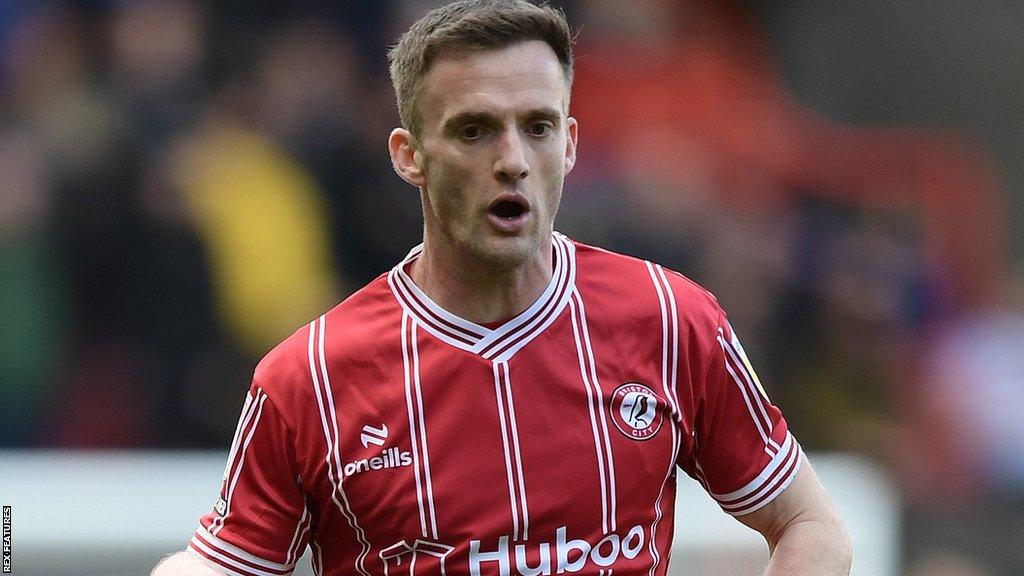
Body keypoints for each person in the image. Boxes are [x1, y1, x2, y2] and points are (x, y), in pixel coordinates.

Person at [152, 1, 852, 574]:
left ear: (571, 144)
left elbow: (808, 523)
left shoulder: (671, 320)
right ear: (410, 156)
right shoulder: (312, 377)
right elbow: (223, 565)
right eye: (476, 130)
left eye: (537, 127)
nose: (513, 160)